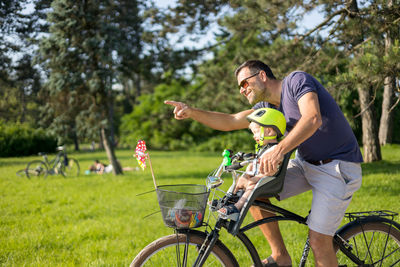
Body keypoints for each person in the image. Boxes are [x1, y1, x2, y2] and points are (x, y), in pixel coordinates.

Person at [165, 59, 363, 267]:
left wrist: (278, 149)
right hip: (306, 164)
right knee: (254, 190)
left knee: (319, 242)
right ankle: (280, 256)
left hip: (337, 168)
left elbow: (313, 118)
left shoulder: (296, 81)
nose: (242, 90)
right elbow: (232, 120)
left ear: (262, 76)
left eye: (244, 83)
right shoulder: (266, 107)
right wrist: (192, 112)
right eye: (239, 87)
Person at [218, 108, 286, 221]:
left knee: (250, 186)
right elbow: (254, 162)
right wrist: (248, 171)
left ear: (269, 131)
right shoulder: (263, 148)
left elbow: (272, 171)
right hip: (257, 176)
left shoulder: (275, 150)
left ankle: (236, 207)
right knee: (240, 180)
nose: (254, 136)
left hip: (267, 180)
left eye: (256, 132)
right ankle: (226, 202)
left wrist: (255, 178)